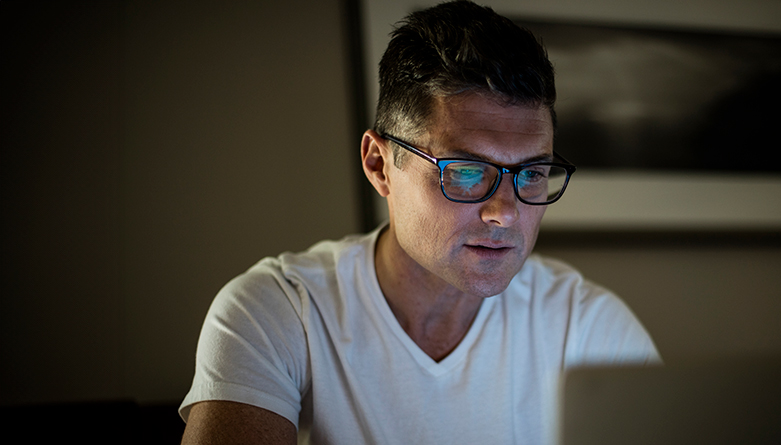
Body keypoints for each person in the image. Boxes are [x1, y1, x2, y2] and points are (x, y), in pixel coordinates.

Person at [179, 1, 659, 443]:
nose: (506, 212)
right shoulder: (281, 313)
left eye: (531, 173)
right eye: (467, 171)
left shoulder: (589, 325)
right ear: (379, 165)